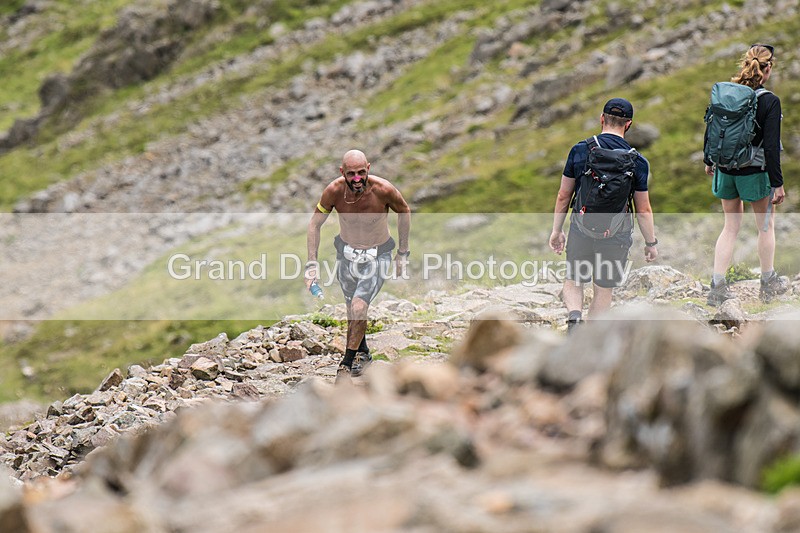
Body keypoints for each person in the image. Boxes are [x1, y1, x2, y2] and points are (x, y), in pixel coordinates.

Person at [549, 98, 658, 332]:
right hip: (616, 234)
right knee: (604, 288)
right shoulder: (638, 162)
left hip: (582, 227)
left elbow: (563, 195)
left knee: (574, 279)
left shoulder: (580, 150)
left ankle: (575, 318)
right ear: (628, 124)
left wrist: (557, 231)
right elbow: (643, 209)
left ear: (602, 119)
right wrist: (651, 243)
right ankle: (590, 338)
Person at [306, 149, 411, 382]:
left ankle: (346, 363)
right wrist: (311, 265)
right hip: (346, 255)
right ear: (342, 172)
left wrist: (403, 252)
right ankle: (363, 354)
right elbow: (314, 224)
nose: (356, 179)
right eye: (351, 173)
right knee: (352, 309)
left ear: (369, 169)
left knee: (359, 306)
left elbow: (404, 210)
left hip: (378, 255)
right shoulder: (333, 192)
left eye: (361, 172)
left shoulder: (383, 190)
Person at [704, 44, 788, 306]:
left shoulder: (727, 92)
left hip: (725, 168)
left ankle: (717, 285)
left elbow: (712, 126)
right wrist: (778, 183)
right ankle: (768, 282)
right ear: (768, 67)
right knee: (765, 226)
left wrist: (709, 160)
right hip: (754, 172)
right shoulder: (769, 101)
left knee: (730, 227)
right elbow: (771, 146)